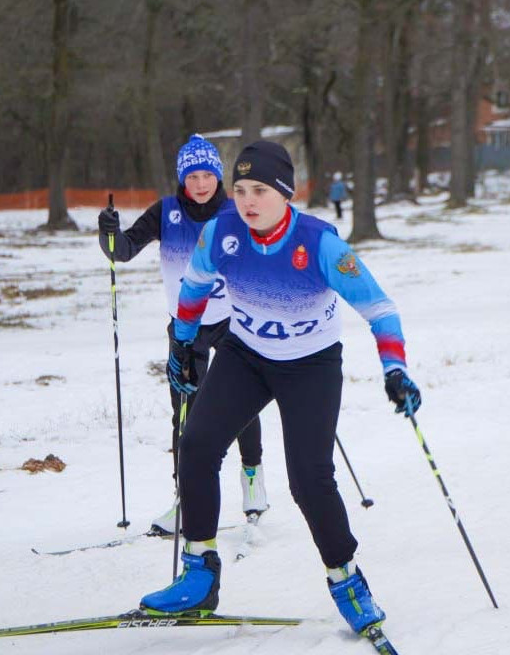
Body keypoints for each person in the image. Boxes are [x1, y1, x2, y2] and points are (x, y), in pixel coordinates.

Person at [139, 140, 421, 639]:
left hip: (310, 366)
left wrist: (394, 369)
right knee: (198, 445)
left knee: (309, 480)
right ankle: (199, 571)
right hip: (245, 356)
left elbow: (381, 309)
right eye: (241, 189)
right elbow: (193, 286)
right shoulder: (220, 232)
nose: (248, 201)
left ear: (285, 193)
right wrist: (181, 344)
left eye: (261, 191)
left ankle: (346, 580)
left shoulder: (320, 244)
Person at [98, 134, 269, 532]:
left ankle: (252, 479)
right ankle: (186, 499)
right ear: (181, 179)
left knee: (240, 406)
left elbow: (266, 250)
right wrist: (108, 233)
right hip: (185, 329)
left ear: (217, 176)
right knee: (185, 415)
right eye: (192, 177)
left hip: (233, 322)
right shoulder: (166, 212)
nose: (200, 184)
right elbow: (121, 250)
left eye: (207, 174)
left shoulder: (235, 212)